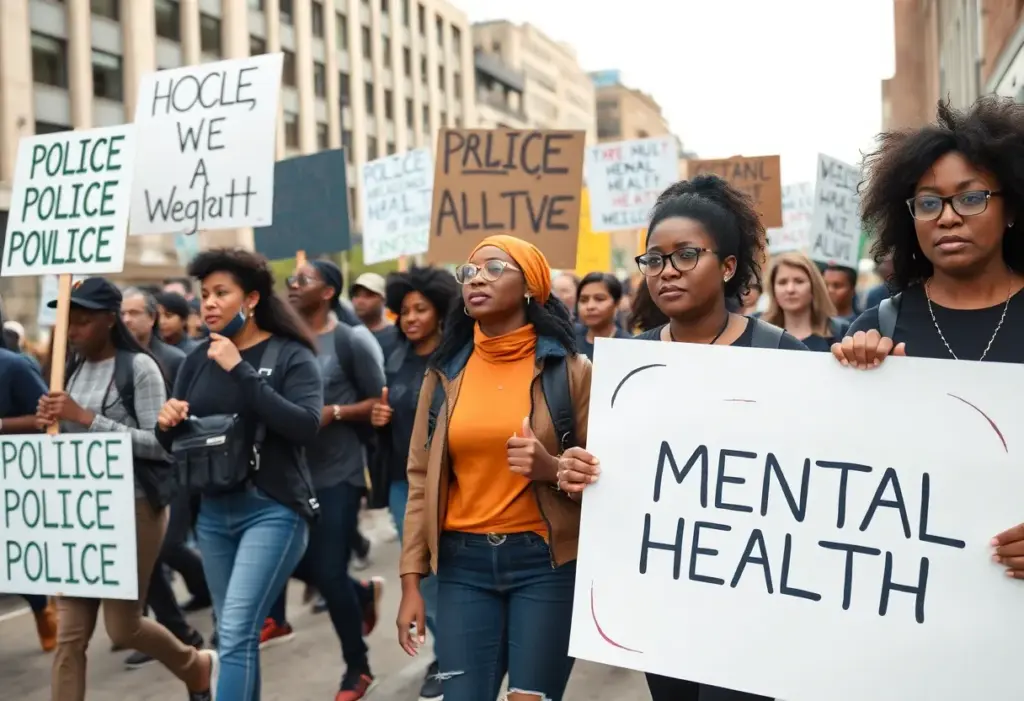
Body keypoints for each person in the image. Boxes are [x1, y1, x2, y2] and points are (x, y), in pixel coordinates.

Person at [572, 176, 804, 701]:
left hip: (754, 603)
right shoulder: (628, 364)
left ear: (727, 267)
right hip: (663, 600)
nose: (666, 271)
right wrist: (577, 470)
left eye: (685, 255)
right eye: (653, 259)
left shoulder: (781, 354)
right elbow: (611, 470)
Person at [396, 235, 591, 701]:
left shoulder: (573, 371)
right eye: (469, 272)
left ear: (531, 287)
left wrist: (550, 468)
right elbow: (420, 479)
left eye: (495, 268)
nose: (477, 278)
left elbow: (604, 477)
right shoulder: (443, 374)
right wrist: (411, 583)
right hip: (462, 566)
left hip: (547, 563)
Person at [37, 277, 216, 701]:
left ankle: (197, 666)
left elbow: (160, 444)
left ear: (107, 321)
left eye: (81, 322)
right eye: (69, 322)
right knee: (70, 636)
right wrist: (49, 418)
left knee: (123, 627)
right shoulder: (70, 369)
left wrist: (84, 417)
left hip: (133, 507)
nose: (74, 331)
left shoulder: (139, 368)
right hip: (81, 513)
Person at [156, 249, 323, 700]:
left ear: (250, 299)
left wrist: (241, 370)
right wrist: (166, 422)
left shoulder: (290, 354)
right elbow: (180, 444)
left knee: (234, 629)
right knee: (233, 636)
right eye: (204, 294)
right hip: (213, 514)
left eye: (220, 293)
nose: (208, 303)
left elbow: (305, 426)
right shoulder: (194, 360)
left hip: (273, 511)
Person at [278, 260, 388, 700]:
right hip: (287, 474)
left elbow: (378, 403)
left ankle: (357, 668)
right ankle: (359, 593)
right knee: (285, 563)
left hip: (338, 471)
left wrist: (335, 413)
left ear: (327, 292)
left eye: (302, 280)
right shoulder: (281, 340)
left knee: (327, 568)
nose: (291, 285)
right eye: (290, 279)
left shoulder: (349, 340)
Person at [369, 266, 459, 700]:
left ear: (440, 312)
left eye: (420, 309)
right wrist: (378, 420)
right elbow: (388, 412)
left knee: (449, 574)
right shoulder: (393, 357)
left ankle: (459, 653)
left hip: (455, 483)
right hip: (405, 485)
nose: (410, 318)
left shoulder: (459, 357)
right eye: (403, 310)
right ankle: (446, 656)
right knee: (422, 577)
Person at [120, 287, 211, 668]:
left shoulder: (175, 359)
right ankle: (175, 630)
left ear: (152, 317)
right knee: (148, 559)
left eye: (134, 313)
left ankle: (205, 588)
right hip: (140, 477)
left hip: (178, 471)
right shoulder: (118, 362)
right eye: (121, 313)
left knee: (166, 548)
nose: (126, 320)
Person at [0, 307, 58, 652]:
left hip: (14, 480)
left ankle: (42, 610)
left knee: (15, 555)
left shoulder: (14, 366)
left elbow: (47, 419)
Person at [761, 251, 842, 352]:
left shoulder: (839, 334)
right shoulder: (758, 334)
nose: (790, 289)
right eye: (782, 282)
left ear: (814, 286)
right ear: (773, 289)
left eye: (799, 281)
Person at [574, 272, 631, 360]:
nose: (590, 306)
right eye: (583, 300)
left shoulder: (628, 346)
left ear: (617, 303)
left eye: (600, 299)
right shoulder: (569, 340)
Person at [350, 272, 400, 360]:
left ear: (383, 299)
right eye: (357, 295)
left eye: (368, 295)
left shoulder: (397, 337)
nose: (360, 301)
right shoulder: (349, 335)